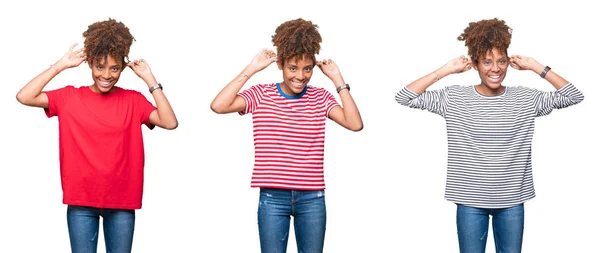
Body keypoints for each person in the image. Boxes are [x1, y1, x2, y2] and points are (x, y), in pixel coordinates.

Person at [394, 18, 584, 253]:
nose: (495, 68)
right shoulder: (454, 98)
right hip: (470, 200)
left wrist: (537, 66)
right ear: (475, 64)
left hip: (512, 200)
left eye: (501, 61)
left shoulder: (525, 99)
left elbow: (573, 96)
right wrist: (445, 70)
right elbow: (404, 97)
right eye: (487, 62)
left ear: (508, 62)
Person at [15, 18, 178, 253]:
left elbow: (170, 122)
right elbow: (24, 96)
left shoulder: (133, 100)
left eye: (114, 68)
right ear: (90, 64)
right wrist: (60, 66)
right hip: (81, 201)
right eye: (99, 67)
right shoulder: (69, 98)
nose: (106, 75)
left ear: (122, 67)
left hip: (121, 202)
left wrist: (150, 80)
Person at [211, 18, 363, 252]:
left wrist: (338, 79)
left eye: (307, 69)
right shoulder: (261, 94)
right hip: (272, 197)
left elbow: (354, 124)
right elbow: (218, 106)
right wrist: (250, 69)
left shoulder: (320, 97)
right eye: (293, 68)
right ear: (280, 64)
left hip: (312, 198)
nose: (300, 76)